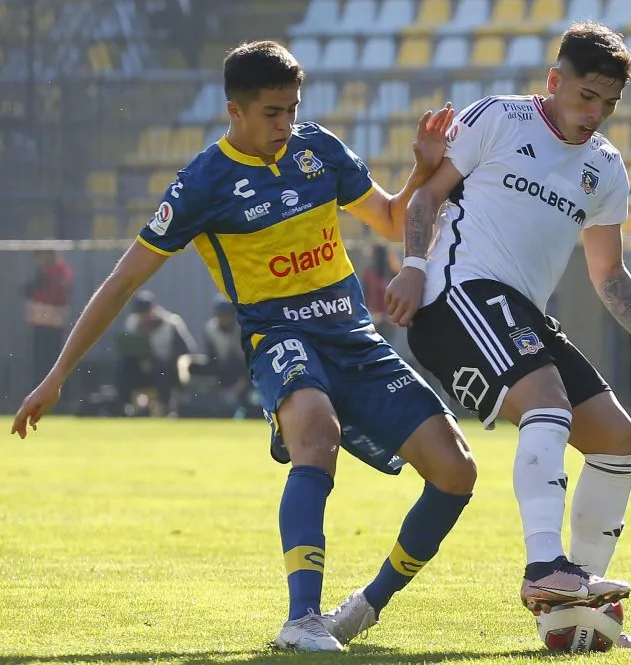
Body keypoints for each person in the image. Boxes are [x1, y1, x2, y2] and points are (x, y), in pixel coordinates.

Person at [11, 40, 477, 652]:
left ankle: (365, 606)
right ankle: (301, 619)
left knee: (456, 470)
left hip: (353, 337)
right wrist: (57, 375)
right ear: (235, 110)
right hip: (280, 337)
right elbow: (122, 280)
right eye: (271, 112)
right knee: (317, 432)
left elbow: (392, 220)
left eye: (293, 109)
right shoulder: (203, 182)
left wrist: (421, 167)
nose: (286, 124)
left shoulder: (319, 149)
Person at [385, 22, 631, 648]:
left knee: (621, 443)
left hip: (522, 313)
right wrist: (414, 266)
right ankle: (543, 569)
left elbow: (608, 271)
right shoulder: (498, 118)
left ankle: (573, 606)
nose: (596, 113)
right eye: (586, 96)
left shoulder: (605, 166)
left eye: (609, 103)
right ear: (555, 80)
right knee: (549, 405)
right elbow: (426, 198)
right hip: (457, 294)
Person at [116, 290, 197, 415]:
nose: (143, 317)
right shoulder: (132, 323)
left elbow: (186, 349)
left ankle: (165, 406)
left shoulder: (171, 324)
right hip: (141, 367)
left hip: (165, 368)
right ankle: (126, 406)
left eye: (145, 312)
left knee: (163, 368)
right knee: (124, 366)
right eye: (140, 313)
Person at [22, 249, 73, 385]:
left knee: (44, 362)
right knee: (52, 360)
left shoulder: (49, 273)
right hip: (53, 322)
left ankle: (44, 388)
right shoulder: (62, 271)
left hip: (45, 322)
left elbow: (30, 290)